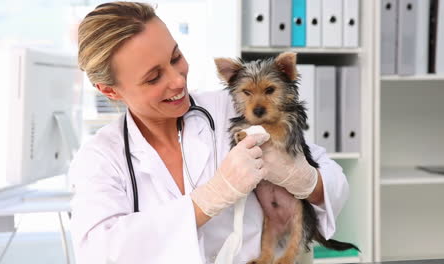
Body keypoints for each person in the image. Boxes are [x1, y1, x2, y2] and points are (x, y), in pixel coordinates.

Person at [69, 2, 349, 263]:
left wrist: (304, 178)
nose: (178, 80)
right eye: (154, 77)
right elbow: (97, 252)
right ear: (109, 91)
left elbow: (334, 180)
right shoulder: (101, 157)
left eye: (176, 57)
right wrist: (207, 201)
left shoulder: (233, 107)